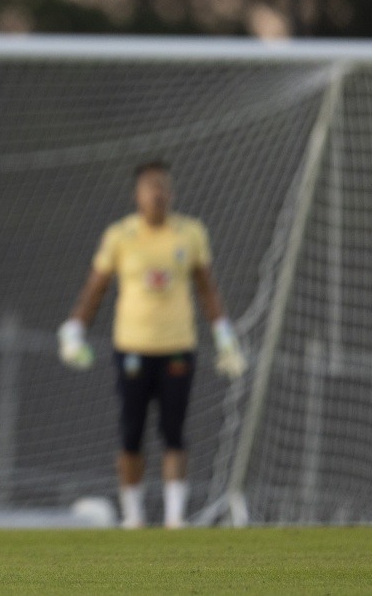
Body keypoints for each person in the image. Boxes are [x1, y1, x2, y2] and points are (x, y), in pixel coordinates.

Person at [57, 160, 246, 529]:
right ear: (137, 195)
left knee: (174, 430)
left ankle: (175, 516)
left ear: (171, 192)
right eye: (150, 187)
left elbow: (207, 288)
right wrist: (74, 328)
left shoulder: (190, 233)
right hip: (133, 348)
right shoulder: (120, 236)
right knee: (131, 432)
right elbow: (96, 288)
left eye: (163, 186)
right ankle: (134, 516)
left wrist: (224, 335)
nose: (157, 194)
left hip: (177, 347)